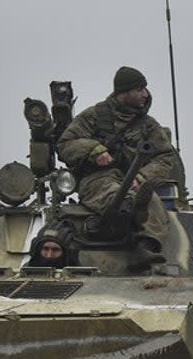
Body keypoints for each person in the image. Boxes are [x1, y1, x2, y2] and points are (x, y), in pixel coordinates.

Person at [56, 66, 178, 271]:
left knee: (151, 201)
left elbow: (165, 156)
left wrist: (142, 177)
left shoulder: (148, 125)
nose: (145, 94)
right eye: (140, 89)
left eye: (145, 89)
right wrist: (94, 150)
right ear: (123, 92)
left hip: (134, 180)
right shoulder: (94, 116)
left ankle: (145, 247)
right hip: (96, 180)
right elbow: (65, 144)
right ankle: (132, 209)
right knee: (117, 197)